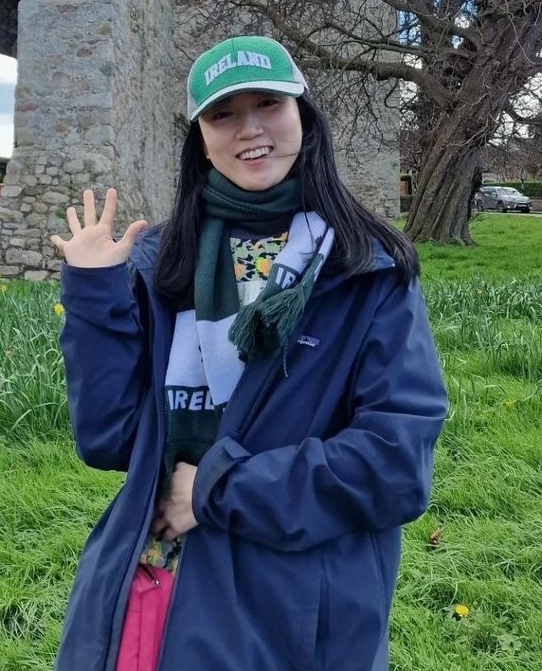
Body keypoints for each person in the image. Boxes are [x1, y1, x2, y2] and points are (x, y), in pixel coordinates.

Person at [50, 36, 447, 671]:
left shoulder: (365, 271)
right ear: (199, 139)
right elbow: (111, 439)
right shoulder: (163, 266)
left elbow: (393, 463)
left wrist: (214, 487)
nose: (250, 130)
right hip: (158, 595)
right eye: (223, 115)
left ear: (304, 117)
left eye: (269, 104)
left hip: (292, 613)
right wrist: (96, 296)